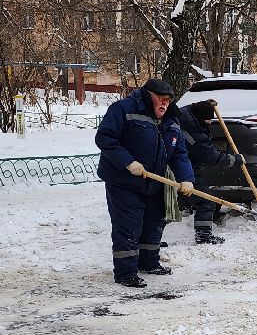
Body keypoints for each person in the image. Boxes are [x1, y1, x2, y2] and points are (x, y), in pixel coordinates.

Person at [95, 78, 194, 288]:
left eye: (168, 100)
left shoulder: (172, 120)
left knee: (153, 223)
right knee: (128, 226)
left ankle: (148, 262)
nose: (165, 104)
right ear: (148, 95)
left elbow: (179, 154)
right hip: (123, 181)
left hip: (154, 180)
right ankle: (126, 272)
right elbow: (105, 138)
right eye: (161, 99)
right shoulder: (124, 109)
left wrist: (186, 179)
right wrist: (127, 162)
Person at [177, 99, 243, 245]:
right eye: (207, 119)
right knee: (206, 201)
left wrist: (205, 103)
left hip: (178, 166)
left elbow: (192, 107)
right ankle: (203, 237)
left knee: (163, 204)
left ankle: (151, 238)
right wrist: (236, 160)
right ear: (199, 117)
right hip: (184, 170)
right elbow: (212, 158)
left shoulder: (185, 113)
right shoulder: (195, 133)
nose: (209, 122)